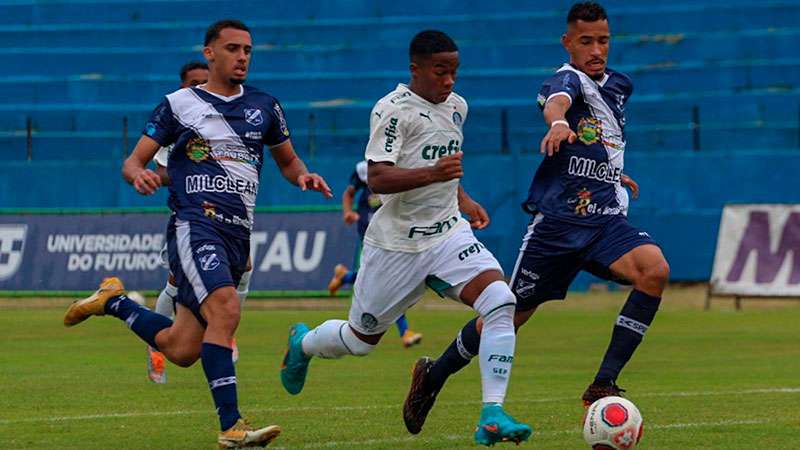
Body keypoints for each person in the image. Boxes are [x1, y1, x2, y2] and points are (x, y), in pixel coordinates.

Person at [403, 1, 670, 434]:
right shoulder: (565, 79)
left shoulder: (620, 85)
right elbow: (558, 102)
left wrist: (613, 171)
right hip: (558, 227)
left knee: (654, 270)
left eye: (603, 40)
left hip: (603, 219)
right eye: (586, 41)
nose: (596, 49)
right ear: (568, 43)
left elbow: (601, 137)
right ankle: (434, 375)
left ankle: (602, 385)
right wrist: (558, 122)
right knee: (507, 316)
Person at [63, 19, 332, 448]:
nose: (242, 56)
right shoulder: (178, 105)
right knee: (225, 310)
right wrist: (139, 177)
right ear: (209, 54)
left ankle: (112, 301)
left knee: (182, 348)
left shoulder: (265, 106)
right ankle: (231, 426)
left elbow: (287, 160)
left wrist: (303, 176)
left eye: (247, 49)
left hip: (237, 235)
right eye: (232, 48)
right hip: (195, 224)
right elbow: (134, 162)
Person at [279, 30, 532, 446]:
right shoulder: (393, 111)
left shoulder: (457, 108)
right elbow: (378, 177)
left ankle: (492, 413)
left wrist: (463, 200)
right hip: (396, 245)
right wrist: (435, 174)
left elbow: (445, 167)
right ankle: (302, 343)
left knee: (501, 301)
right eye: (440, 71)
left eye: (454, 71)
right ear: (415, 69)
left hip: (448, 233)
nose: (449, 80)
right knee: (360, 342)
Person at [146, 60, 220, 385]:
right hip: (188, 217)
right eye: (193, 83)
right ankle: (156, 350)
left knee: (238, 271)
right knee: (175, 283)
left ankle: (223, 337)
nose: (199, 87)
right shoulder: (175, 121)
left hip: (226, 217)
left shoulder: (223, 119)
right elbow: (161, 172)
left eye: (205, 81)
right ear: (182, 87)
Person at [327, 159, 423, 348]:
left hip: (394, 232)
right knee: (388, 280)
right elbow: (349, 194)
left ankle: (345, 277)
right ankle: (405, 332)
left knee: (383, 279)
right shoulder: (364, 169)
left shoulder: (403, 166)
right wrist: (347, 212)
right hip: (371, 233)